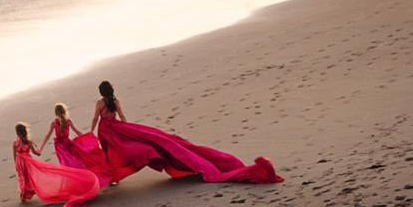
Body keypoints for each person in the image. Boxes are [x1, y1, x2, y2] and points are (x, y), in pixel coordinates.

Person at [91, 81, 283, 186]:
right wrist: (130, 130)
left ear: (101, 92)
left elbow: (95, 119)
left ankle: (113, 176)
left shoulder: (100, 103)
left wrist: (90, 133)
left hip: (106, 131)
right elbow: (123, 116)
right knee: (123, 150)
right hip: (117, 128)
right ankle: (114, 176)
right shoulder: (115, 101)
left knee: (109, 152)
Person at [12, 122, 101, 207]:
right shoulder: (29, 142)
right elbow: (36, 153)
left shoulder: (15, 143)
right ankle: (26, 192)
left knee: (22, 177)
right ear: (26, 132)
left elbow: (14, 154)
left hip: (19, 161)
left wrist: (16, 164)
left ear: (17, 133)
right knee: (29, 176)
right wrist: (39, 150)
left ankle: (23, 193)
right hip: (28, 162)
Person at [39, 104, 112, 186]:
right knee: (74, 162)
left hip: (60, 147)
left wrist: (41, 148)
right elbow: (77, 132)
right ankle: (77, 180)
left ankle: (74, 182)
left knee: (66, 164)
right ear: (65, 112)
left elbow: (47, 136)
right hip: (67, 145)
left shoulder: (54, 123)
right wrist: (88, 137)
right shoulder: (68, 121)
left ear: (56, 114)